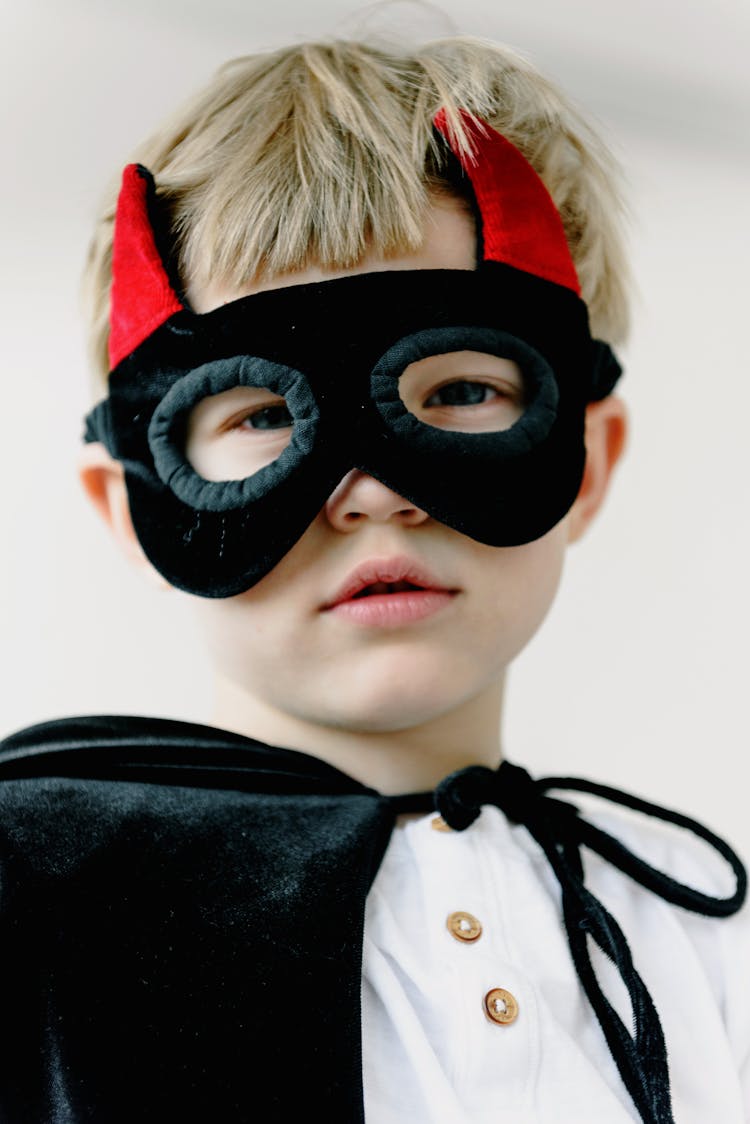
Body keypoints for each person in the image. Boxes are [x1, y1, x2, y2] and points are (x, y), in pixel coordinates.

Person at [0, 34, 747, 1124]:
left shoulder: (695, 924)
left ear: (591, 458)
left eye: (459, 392)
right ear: (131, 510)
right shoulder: (30, 902)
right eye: (259, 417)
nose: (375, 494)